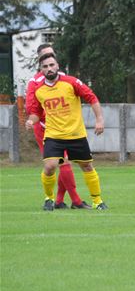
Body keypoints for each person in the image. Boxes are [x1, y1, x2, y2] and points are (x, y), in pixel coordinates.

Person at [25, 53, 108, 211]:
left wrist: (99, 120)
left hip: (75, 134)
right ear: (40, 70)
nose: (49, 69)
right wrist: (31, 121)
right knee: (50, 166)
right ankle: (49, 199)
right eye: (45, 66)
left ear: (57, 66)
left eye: (51, 65)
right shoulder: (39, 90)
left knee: (87, 166)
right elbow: (35, 113)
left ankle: (97, 201)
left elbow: (91, 97)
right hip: (53, 136)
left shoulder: (71, 82)